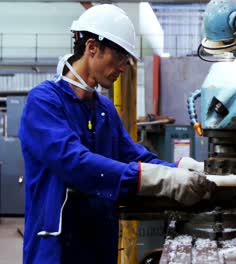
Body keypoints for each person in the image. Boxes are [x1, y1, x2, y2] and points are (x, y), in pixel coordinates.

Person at [18, 4, 213, 264]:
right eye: (119, 57)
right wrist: (160, 179)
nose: (123, 67)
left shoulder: (103, 109)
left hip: (99, 243)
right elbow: (74, 163)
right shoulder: (44, 102)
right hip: (57, 248)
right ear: (91, 47)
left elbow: (133, 155)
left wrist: (184, 168)